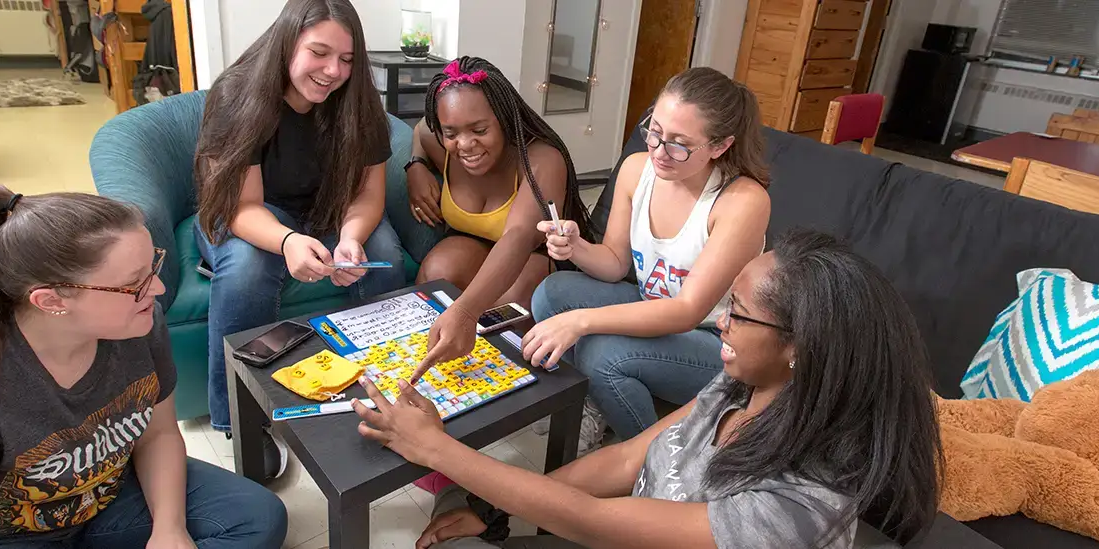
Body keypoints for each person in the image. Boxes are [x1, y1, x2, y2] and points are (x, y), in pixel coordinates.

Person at [351, 230, 943, 549]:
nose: (719, 324)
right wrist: (490, 509)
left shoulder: (797, 505)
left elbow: (597, 523)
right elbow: (629, 457)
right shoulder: (744, 387)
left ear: (800, 346)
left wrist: (435, 448)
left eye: (738, 314)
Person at [0, 188, 287, 549]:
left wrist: (170, 529)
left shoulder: (139, 323)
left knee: (257, 519)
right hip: (4, 537)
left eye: (153, 269)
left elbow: (158, 433)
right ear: (51, 301)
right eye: (135, 283)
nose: (157, 290)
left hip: (104, 497)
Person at [193, 0, 406, 463]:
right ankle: (240, 419)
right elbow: (238, 206)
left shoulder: (359, 102)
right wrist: (287, 242)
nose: (333, 71)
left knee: (383, 251)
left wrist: (350, 236)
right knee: (248, 267)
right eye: (319, 52)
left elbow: (370, 194)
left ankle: (385, 389)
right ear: (288, 41)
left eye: (347, 60)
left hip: (327, 212)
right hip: (244, 211)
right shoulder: (238, 93)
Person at [521, 67, 771, 452]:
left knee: (603, 354)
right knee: (550, 294)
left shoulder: (742, 202)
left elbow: (687, 311)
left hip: (714, 340)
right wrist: (577, 248)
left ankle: (649, 463)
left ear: (719, 146)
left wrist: (581, 321)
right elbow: (617, 263)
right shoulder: (637, 169)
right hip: (654, 308)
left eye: (679, 144)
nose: (658, 151)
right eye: (654, 132)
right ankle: (595, 399)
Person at [404, 56, 595, 379]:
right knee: (437, 270)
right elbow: (422, 131)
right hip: (476, 246)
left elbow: (518, 236)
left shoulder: (541, 160)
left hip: (535, 256)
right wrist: (415, 167)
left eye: (479, 130)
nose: (464, 144)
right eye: (451, 133)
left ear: (504, 119)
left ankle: (509, 381)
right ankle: (443, 362)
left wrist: (465, 312)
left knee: (508, 303)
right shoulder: (440, 142)